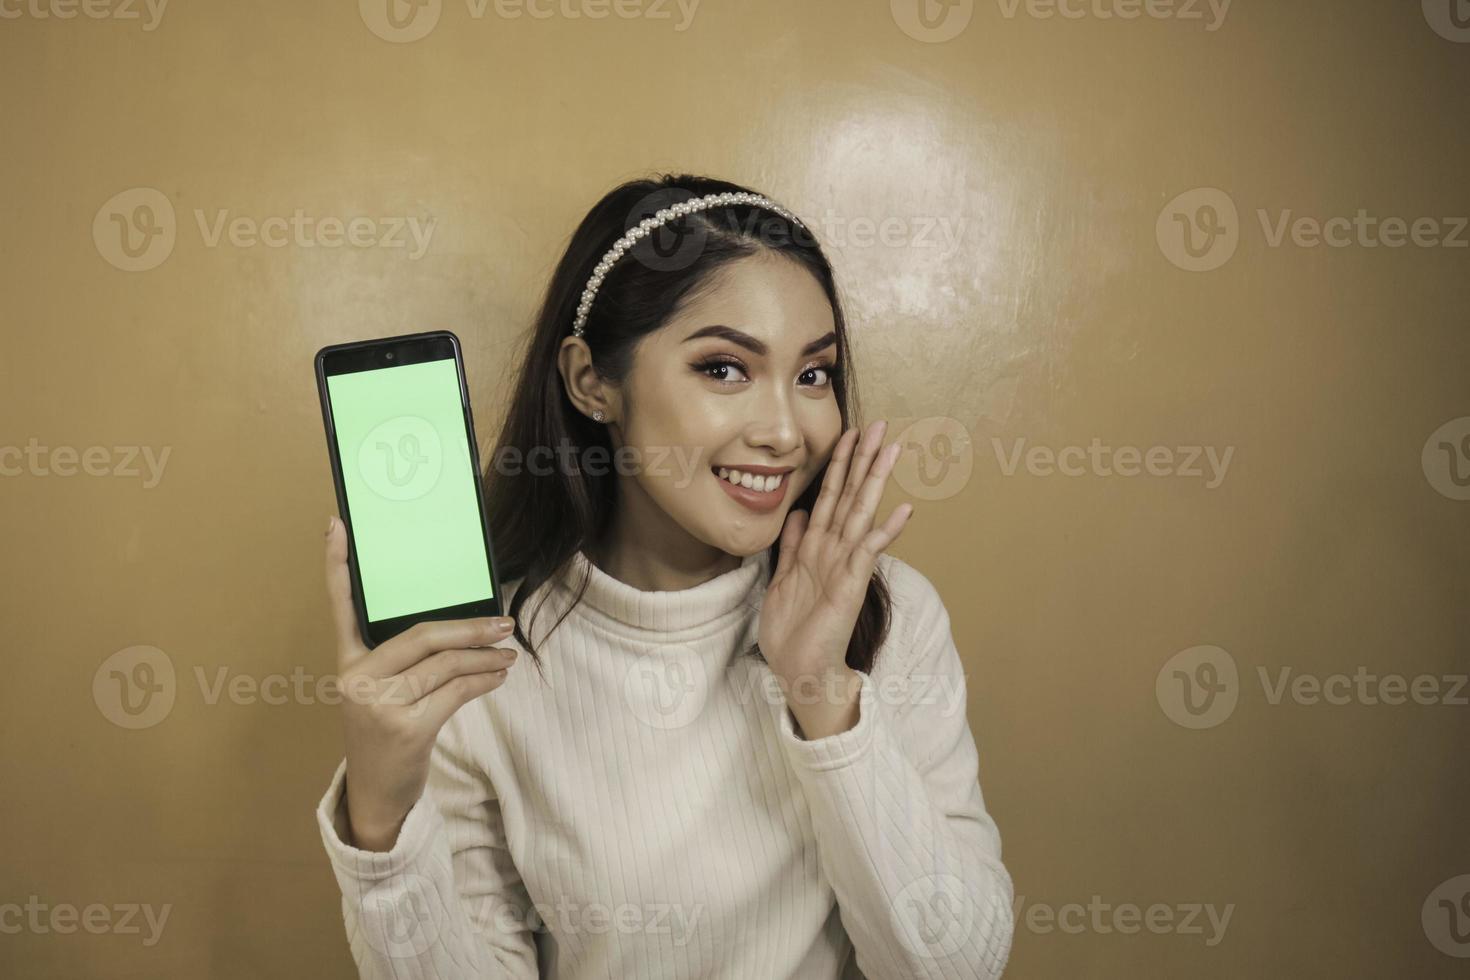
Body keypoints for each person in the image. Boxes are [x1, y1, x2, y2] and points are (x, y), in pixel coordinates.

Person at [314, 173, 1015, 978]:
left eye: (813, 374)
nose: (787, 432)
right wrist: (380, 817)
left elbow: (959, 968)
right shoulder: (477, 659)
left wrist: (823, 692)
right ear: (591, 383)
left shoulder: (887, 614)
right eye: (724, 368)